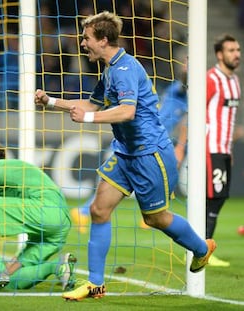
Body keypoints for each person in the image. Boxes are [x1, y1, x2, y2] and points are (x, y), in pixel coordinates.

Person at [34, 11, 216, 301]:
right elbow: (91, 105)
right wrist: (51, 101)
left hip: (149, 154)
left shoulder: (125, 69)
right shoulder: (109, 70)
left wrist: (88, 121)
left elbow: (127, 111)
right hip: (125, 153)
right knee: (98, 210)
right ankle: (96, 284)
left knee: (156, 218)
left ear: (103, 40)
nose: (82, 43)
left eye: (86, 39)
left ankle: (202, 248)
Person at [70, 59, 189, 233]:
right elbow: (185, 121)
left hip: (149, 138)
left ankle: (86, 211)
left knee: (129, 182)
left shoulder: (183, 91)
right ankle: (84, 211)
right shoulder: (179, 89)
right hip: (144, 140)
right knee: (127, 181)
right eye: (185, 63)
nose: (186, 66)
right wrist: (180, 147)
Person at [0, 142, 76, 291]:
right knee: (9, 281)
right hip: (61, 225)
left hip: (42, 210)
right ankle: (58, 266)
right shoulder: (15, 170)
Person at [205, 34, 242, 267]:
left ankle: (202, 247)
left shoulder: (234, 80)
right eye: (231, 50)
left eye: (238, 50)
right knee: (213, 199)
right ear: (219, 54)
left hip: (224, 150)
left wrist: (230, 150)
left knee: (218, 199)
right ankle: (203, 249)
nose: (236, 54)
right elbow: (195, 110)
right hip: (210, 148)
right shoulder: (211, 79)